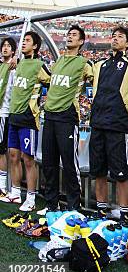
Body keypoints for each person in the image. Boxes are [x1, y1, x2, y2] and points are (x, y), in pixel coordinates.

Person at [89, 26, 128, 223]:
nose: (115, 39)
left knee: (121, 174)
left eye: (120, 37)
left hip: (118, 125)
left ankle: (124, 213)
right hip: (97, 123)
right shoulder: (100, 65)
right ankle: (100, 211)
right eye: (113, 36)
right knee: (98, 171)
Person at [39, 25, 93, 214]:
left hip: (67, 117)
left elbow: (96, 80)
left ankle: (73, 206)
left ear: (81, 42)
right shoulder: (58, 61)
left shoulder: (84, 63)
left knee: (69, 164)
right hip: (50, 115)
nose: (69, 37)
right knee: (49, 163)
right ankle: (51, 205)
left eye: (74, 35)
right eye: (68, 34)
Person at [2, 33, 50, 212]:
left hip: (28, 119)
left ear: (36, 46)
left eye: (28, 41)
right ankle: (15, 191)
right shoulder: (19, 64)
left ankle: (30, 197)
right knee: (13, 156)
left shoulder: (40, 65)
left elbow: (52, 82)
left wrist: (39, 104)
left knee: (28, 159)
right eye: (24, 41)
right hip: (14, 116)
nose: (24, 43)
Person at [0, 37, 17, 198]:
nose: (5, 48)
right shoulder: (1, 66)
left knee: (2, 150)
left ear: (13, 50)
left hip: (4, 113)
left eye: (8, 46)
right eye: (3, 46)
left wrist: (17, 59)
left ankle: (3, 186)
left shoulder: (14, 67)